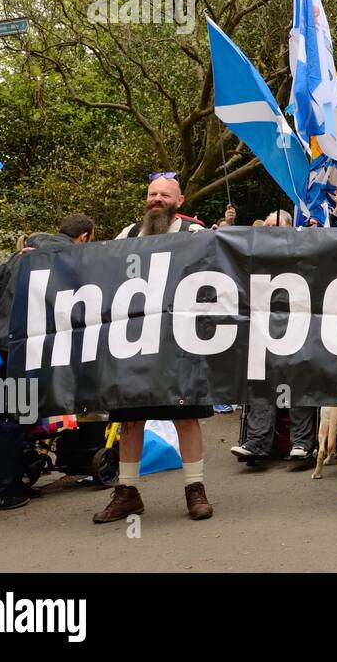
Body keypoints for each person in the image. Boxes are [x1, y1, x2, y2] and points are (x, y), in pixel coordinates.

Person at [96, 176, 213, 524]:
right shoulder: (128, 234)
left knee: (186, 415)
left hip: (179, 341)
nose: (157, 199)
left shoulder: (196, 234)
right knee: (131, 417)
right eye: (152, 194)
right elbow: (100, 271)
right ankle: (127, 492)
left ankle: (195, 489)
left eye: (164, 194)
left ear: (180, 199)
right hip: (134, 341)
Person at [0, 216, 95, 514]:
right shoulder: (71, 257)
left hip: (3, 344)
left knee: (14, 418)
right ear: (85, 237)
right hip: (28, 347)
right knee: (12, 420)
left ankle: (12, 482)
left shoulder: (23, 254)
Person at [232, 207, 318, 465]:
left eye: (276, 227)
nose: (270, 232)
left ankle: (302, 442)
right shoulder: (254, 255)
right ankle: (257, 442)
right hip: (263, 330)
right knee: (261, 382)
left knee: (299, 381)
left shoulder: (302, 254)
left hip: (298, 329)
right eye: (267, 227)